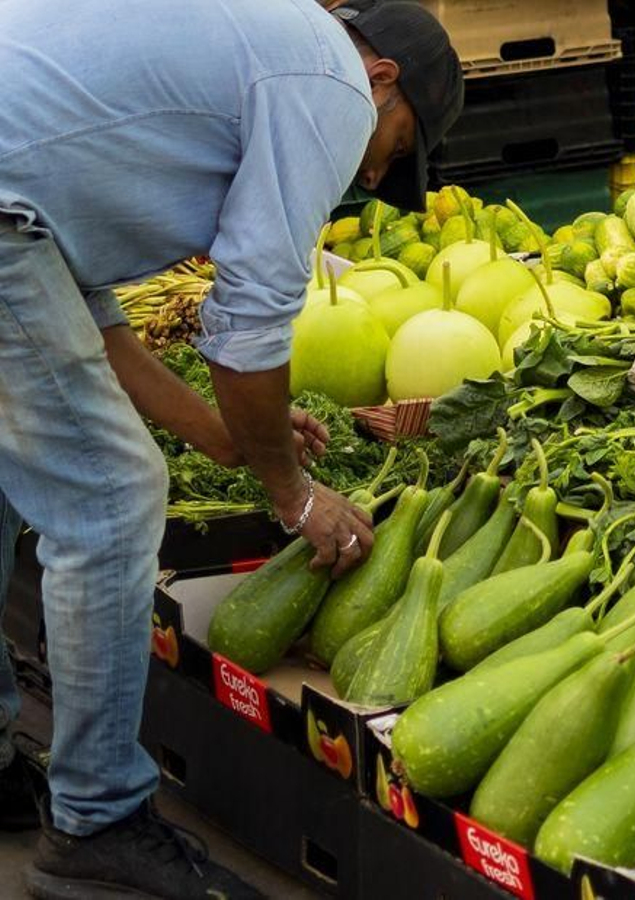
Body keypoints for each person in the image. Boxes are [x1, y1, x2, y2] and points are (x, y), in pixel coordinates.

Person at [0, 0, 463, 896]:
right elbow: (248, 327)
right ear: (382, 78)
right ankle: (98, 824)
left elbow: (85, 313)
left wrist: (225, 436)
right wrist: (295, 495)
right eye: (397, 146)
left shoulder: (248, 41)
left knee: (12, 479)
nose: (374, 175)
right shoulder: (328, 82)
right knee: (112, 501)